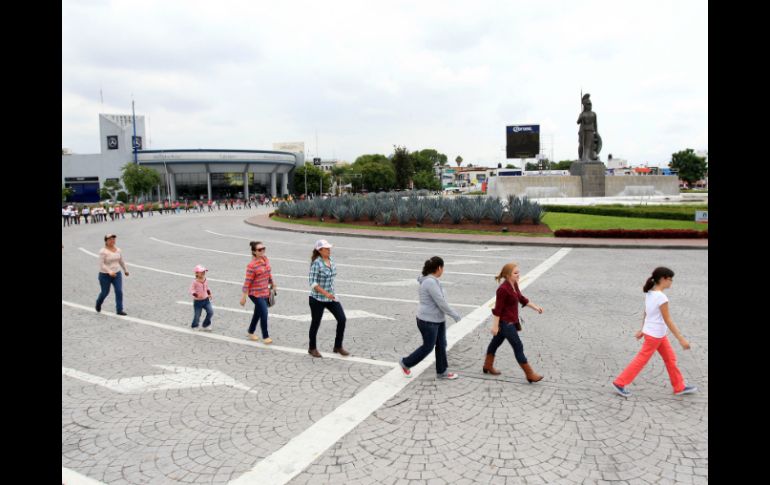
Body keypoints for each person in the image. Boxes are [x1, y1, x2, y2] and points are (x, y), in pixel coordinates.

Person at [612, 267, 698, 397]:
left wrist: (642, 329)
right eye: (670, 279)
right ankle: (620, 382)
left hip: (657, 334)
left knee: (670, 358)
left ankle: (679, 387)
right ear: (663, 279)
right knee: (641, 359)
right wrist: (681, 339)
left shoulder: (650, 293)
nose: (671, 282)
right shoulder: (661, 298)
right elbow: (668, 320)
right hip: (655, 336)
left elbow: (647, 312)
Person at [398, 256, 461, 380]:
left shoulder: (432, 280)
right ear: (439, 268)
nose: (443, 270)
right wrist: (455, 315)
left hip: (438, 320)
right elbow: (441, 302)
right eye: (443, 268)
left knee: (442, 344)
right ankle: (405, 363)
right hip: (428, 321)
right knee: (428, 347)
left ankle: (442, 372)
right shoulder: (430, 282)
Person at [482, 262, 544, 382]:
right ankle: (529, 374)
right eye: (515, 273)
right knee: (518, 346)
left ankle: (487, 365)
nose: (518, 275)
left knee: (495, 343)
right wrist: (495, 326)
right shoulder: (502, 290)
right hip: (506, 324)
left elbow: (521, 298)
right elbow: (497, 310)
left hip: (509, 322)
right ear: (507, 275)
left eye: (518, 272)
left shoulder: (514, 284)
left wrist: (536, 307)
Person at [307, 239, 348, 358]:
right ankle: (312, 348)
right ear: (319, 251)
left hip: (331, 298)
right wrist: (325, 293)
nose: (329, 250)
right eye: (326, 248)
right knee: (316, 323)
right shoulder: (316, 263)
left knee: (342, 319)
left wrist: (331, 294)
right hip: (317, 299)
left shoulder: (331, 260)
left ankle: (338, 346)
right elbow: (312, 283)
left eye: (329, 248)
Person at [240, 241, 275, 343]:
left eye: (263, 248)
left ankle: (250, 331)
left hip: (265, 291)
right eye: (260, 249)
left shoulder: (265, 259)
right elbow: (247, 282)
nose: (262, 250)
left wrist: (272, 283)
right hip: (255, 293)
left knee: (258, 312)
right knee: (264, 312)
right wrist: (244, 297)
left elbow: (268, 272)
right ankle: (265, 336)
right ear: (254, 252)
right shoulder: (252, 265)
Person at [95, 234, 129, 315]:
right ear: (106, 241)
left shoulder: (118, 250)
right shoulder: (103, 251)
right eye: (110, 239)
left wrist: (125, 270)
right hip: (105, 275)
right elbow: (101, 264)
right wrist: (109, 271)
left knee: (119, 291)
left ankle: (119, 309)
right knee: (105, 292)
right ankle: (98, 303)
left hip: (117, 274)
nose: (112, 241)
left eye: (113, 239)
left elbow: (121, 261)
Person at [189, 265, 214, 331]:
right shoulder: (195, 282)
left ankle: (205, 325)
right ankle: (195, 325)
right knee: (197, 315)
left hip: (206, 300)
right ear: (196, 273)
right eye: (202, 272)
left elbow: (207, 287)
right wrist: (196, 295)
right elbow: (191, 290)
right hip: (198, 302)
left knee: (210, 312)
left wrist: (209, 294)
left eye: (204, 272)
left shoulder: (205, 280)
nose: (203, 273)